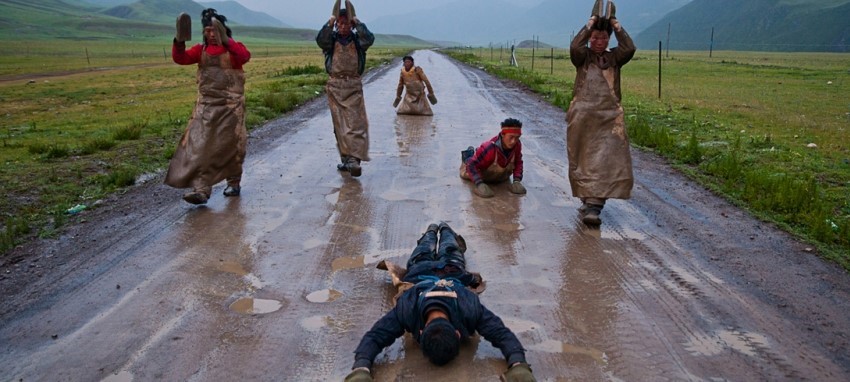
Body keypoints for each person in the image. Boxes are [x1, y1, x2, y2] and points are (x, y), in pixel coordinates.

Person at [345, 222, 536, 382]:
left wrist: (518, 363)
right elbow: (374, 337)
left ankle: (439, 230)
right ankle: (438, 230)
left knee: (446, 247)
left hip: (449, 269)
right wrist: (360, 368)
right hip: (426, 270)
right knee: (431, 248)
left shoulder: (467, 306)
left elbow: (501, 334)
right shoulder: (408, 307)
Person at [165, 9, 251, 205]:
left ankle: (234, 183)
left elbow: (245, 56)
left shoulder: (233, 49)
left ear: (222, 30)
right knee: (199, 146)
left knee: (231, 147)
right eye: (207, 31)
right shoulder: (200, 51)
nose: (211, 35)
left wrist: (227, 41)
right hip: (205, 106)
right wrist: (179, 41)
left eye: (215, 30)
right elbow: (181, 59)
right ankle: (202, 189)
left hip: (231, 108)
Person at [566, 0, 636, 225]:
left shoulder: (615, 58)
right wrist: (591, 23)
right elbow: (575, 47)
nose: (598, 41)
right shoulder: (583, 58)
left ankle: (595, 207)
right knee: (583, 159)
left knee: (606, 161)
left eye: (603, 38)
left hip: (609, 120)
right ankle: (588, 199)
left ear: (609, 40)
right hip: (583, 119)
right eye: (595, 37)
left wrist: (614, 23)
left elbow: (629, 48)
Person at [316, 0, 375, 177]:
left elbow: (369, 39)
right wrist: (330, 22)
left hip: (353, 86)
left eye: (347, 23)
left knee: (356, 123)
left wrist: (357, 21)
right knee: (340, 125)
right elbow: (321, 40)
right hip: (335, 87)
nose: (343, 26)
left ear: (351, 24)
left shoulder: (358, 41)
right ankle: (346, 159)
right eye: (340, 23)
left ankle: (354, 160)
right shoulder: (330, 40)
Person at [459, 118, 527, 198]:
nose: (513, 141)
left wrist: (516, 180)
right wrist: (479, 183)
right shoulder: (490, 148)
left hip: (499, 177)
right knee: (469, 161)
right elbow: (471, 165)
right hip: (478, 167)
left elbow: (518, 162)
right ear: (502, 135)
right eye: (511, 137)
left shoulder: (517, 145)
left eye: (517, 138)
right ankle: (469, 153)